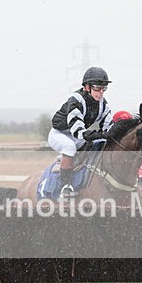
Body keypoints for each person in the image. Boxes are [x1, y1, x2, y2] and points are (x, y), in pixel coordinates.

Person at [48, 66, 114, 198]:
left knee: (100, 142)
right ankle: (65, 186)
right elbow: (79, 133)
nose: (101, 92)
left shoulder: (103, 104)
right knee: (69, 146)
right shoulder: (76, 100)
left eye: (104, 89)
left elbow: (109, 126)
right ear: (87, 87)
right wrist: (100, 134)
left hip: (77, 135)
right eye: (97, 88)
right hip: (60, 134)